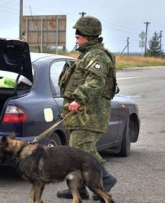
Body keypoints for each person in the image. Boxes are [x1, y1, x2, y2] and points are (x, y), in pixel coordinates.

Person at [57, 16, 117, 201]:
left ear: (88, 36)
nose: (76, 39)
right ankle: (79, 189)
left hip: (91, 114)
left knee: (83, 151)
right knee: (76, 152)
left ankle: (105, 181)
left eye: (78, 36)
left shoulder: (97, 56)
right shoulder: (87, 54)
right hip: (81, 113)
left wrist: (79, 99)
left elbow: (95, 81)